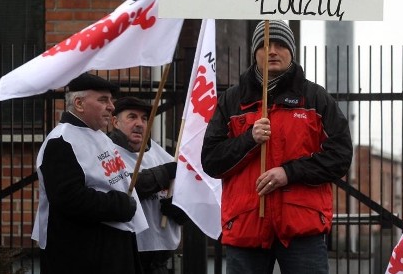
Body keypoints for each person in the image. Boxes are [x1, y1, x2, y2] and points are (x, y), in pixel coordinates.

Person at [201, 20, 353, 274]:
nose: (272, 51)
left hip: (302, 230)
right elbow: (211, 160)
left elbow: (340, 156)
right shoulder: (232, 101)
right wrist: (249, 139)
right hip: (245, 228)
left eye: (280, 44)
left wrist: (289, 173)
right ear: (255, 53)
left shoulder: (316, 99)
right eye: (264, 45)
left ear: (291, 51)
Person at [32, 73, 148, 274]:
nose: (111, 106)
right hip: (82, 255)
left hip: (110, 249)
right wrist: (119, 205)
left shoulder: (98, 136)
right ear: (79, 103)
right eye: (103, 100)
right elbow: (68, 197)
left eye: (110, 100)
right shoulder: (61, 141)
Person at [108, 96, 188, 274]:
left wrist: (181, 208)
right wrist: (164, 174)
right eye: (132, 117)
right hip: (125, 258)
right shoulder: (106, 153)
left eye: (144, 119)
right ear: (115, 121)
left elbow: (188, 196)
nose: (140, 123)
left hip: (159, 261)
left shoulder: (162, 156)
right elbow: (126, 188)